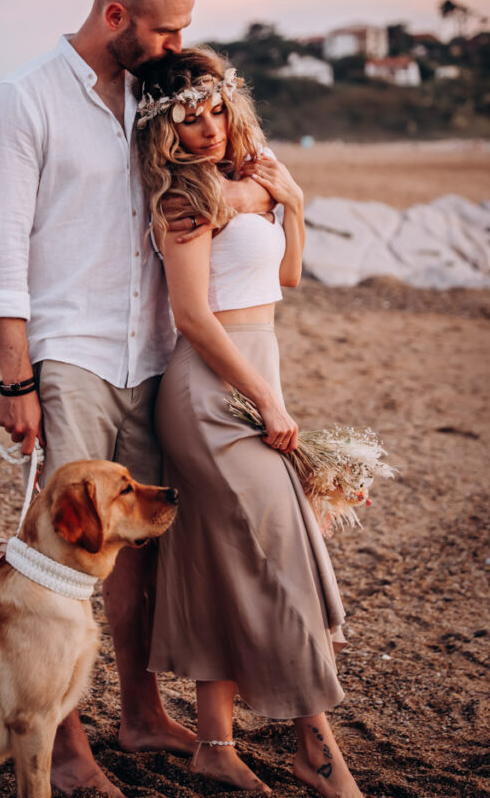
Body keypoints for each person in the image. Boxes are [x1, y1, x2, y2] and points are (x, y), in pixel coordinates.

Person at [0, 0, 270, 797]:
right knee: (66, 552)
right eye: (166, 28)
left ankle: (137, 714)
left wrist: (253, 187)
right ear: (115, 17)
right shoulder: (21, 102)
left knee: (134, 548)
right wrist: (15, 381)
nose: (178, 44)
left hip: (153, 355)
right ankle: (64, 747)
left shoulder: (151, 96)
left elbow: (200, 184)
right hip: (68, 355)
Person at [136, 47, 364, 798]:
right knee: (279, 562)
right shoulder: (183, 196)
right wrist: (265, 402)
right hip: (208, 392)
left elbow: (287, 277)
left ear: (231, 104)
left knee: (222, 563)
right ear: (164, 130)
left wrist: (291, 204)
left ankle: (214, 746)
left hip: (258, 365)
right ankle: (316, 749)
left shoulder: (255, 178)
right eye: (185, 119)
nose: (203, 130)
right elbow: (192, 318)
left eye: (210, 111)